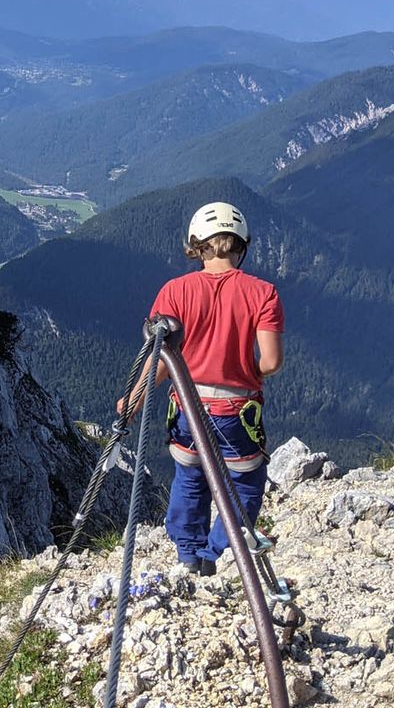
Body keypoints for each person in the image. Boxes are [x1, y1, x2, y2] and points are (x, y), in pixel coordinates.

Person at [122, 201, 284, 575]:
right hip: (236, 412)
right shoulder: (263, 293)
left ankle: (189, 556)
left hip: (186, 407)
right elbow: (272, 362)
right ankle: (219, 555)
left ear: (196, 245)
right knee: (243, 484)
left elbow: (162, 358)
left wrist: (133, 400)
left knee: (191, 478)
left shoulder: (175, 291)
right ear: (241, 245)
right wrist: (245, 369)